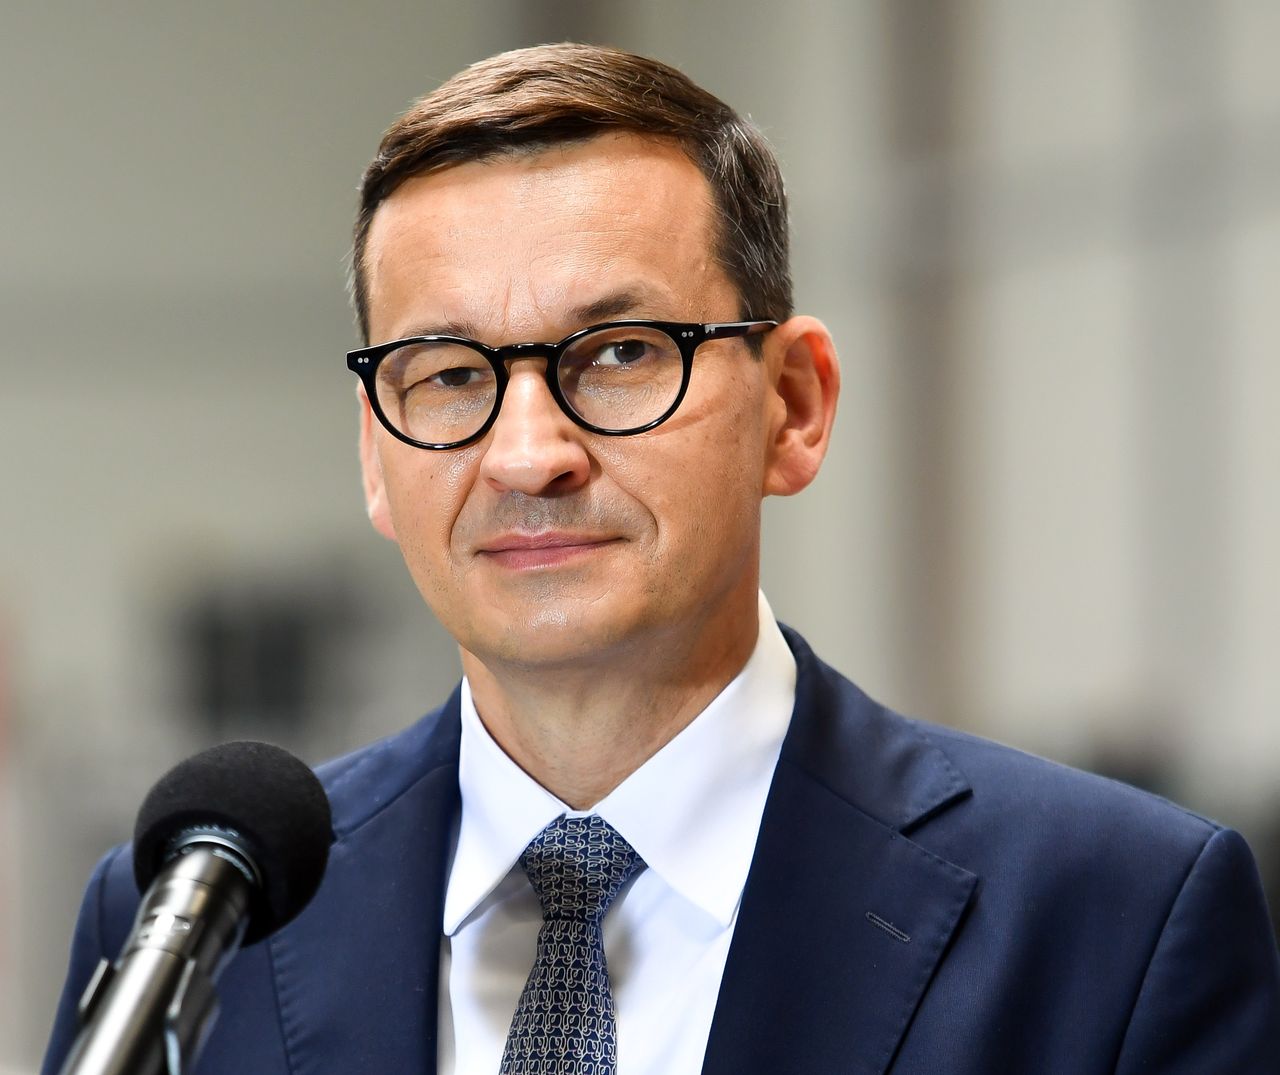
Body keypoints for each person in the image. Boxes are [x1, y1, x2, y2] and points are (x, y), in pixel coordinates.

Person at [43, 42, 1280, 1075]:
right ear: (377, 453)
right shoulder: (196, 920)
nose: (527, 453)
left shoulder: (1112, 922)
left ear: (791, 404)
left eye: (622, 352)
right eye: (450, 374)